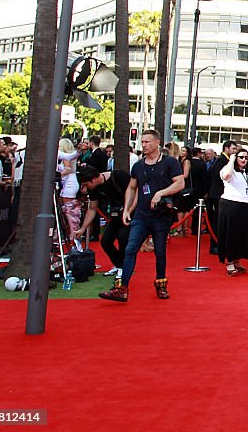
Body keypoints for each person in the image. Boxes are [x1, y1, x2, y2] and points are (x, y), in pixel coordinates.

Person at [99, 129, 185, 303]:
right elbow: (132, 187)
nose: (143, 145)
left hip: (161, 215)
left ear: (157, 142)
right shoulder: (138, 165)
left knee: (160, 251)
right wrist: (127, 209)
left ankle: (161, 284)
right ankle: (122, 288)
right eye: (142, 142)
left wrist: (160, 193)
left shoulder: (170, 162)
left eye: (147, 142)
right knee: (130, 249)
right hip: (141, 215)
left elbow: (180, 183)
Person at [218, 148, 248, 275]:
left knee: (243, 236)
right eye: (241, 157)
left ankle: (237, 260)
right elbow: (226, 176)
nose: (244, 159)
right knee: (231, 235)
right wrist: (232, 159)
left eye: (246, 157)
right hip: (231, 205)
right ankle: (229, 262)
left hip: (247, 205)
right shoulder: (229, 169)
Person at [81, 165, 131, 277]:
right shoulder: (94, 189)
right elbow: (92, 209)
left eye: (86, 184)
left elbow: (134, 191)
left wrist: (128, 209)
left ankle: (124, 267)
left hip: (130, 211)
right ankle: (119, 265)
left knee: (122, 237)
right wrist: (83, 228)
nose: (85, 188)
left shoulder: (118, 176)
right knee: (105, 241)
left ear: (93, 179)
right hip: (115, 214)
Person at [206, 140, 237, 255]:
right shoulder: (222, 160)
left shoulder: (225, 160)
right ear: (226, 148)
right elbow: (217, 176)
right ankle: (215, 245)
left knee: (221, 221)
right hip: (217, 194)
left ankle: (219, 244)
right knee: (217, 221)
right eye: (233, 149)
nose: (235, 151)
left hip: (221, 194)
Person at [57, 138, 82, 245]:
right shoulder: (68, 157)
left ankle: (73, 234)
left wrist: (58, 175)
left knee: (69, 210)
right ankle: (72, 233)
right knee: (69, 209)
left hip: (69, 183)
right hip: (69, 183)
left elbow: (67, 169)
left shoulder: (66, 158)